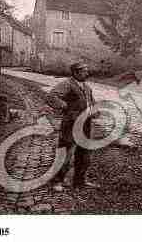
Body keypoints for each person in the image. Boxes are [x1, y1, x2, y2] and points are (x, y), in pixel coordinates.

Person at [45, 62, 100, 192]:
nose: (87, 73)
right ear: (75, 72)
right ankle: (57, 181)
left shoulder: (87, 87)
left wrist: (95, 110)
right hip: (70, 124)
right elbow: (51, 96)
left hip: (85, 124)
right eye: (84, 71)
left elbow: (91, 102)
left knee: (84, 154)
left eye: (87, 71)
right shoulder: (67, 84)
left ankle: (79, 181)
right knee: (65, 153)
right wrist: (64, 106)